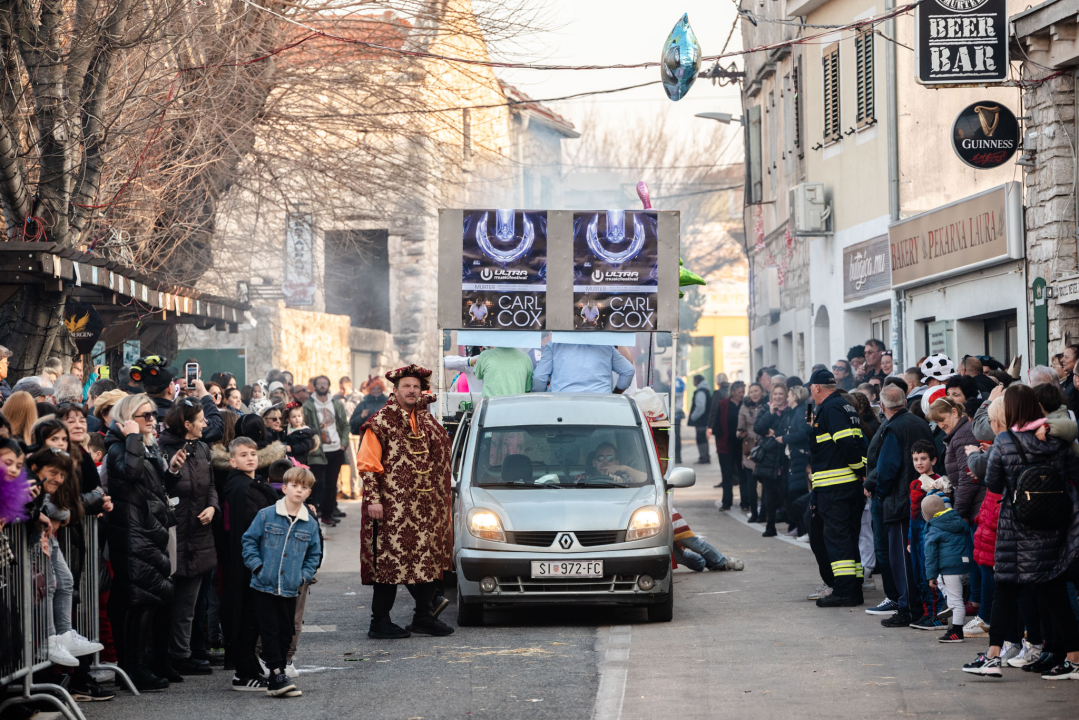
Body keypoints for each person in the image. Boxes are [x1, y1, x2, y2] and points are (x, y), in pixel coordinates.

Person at [962, 384, 1079, 679]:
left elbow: (994, 484)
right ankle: (1075, 660)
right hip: (1054, 528)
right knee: (1054, 593)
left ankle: (992, 658)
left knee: (1004, 590)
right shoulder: (1057, 442)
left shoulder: (1006, 442)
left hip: (1017, 529)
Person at [357, 365, 453, 639]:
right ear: (396, 390)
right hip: (392, 507)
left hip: (425, 508)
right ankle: (379, 622)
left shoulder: (423, 420)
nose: (412, 390)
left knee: (426, 562)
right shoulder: (381, 421)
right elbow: (368, 464)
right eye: (406, 386)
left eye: (416, 386)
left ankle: (423, 617)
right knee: (389, 565)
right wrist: (374, 499)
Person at [106, 392, 186, 690]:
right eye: (146, 416)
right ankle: (135, 669)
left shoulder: (145, 445)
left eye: (153, 414)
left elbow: (155, 486)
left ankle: (149, 663)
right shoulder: (119, 446)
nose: (153, 420)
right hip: (133, 532)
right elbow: (132, 473)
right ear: (128, 419)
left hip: (151, 530)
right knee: (141, 601)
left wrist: (173, 470)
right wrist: (132, 439)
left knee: (152, 599)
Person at [241, 466, 322, 698]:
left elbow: (313, 555)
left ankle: (279, 670)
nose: (299, 490)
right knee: (270, 629)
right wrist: (257, 566)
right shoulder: (266, 515)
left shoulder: (310, 523)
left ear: (308, 493)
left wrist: (303, 577)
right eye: (294, 486)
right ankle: (277, 676)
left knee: (286, 632)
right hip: (263, 585)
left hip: (289, 587)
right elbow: (249, 541)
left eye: (304, 487)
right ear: (284, 488)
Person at [158, 398, 218, 677]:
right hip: (173, 533)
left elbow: (211, 486)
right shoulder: (163, 448)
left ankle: (184, 653)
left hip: (200, 533)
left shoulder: (203, 448)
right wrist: (170, 469)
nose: (206, 423)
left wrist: (212, 507)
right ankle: (166, 655)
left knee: (189, 603)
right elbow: (159, 488)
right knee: (167, 600)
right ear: (186, 424)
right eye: (201, 419)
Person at [867, 385, 935, 626]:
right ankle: (918, 606)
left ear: (883, 407)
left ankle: (908, 609)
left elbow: (887, 469)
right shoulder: (919, 422)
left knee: (901, 560)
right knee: (915, 557)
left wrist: (879, 493)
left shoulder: (893, 428)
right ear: (905, 403)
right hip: (920, 497)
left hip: (901, 502)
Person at [804, 368, 868, 607]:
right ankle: (853, 587)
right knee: (849, 537)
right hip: (846, 487)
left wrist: (858, 470)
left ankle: (844, 591)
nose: (810, 392)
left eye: (811, 388)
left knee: (837, 538)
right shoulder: (844, 405)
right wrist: (861, 471)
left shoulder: (831, 408)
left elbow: (846, 444)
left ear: (817, 387)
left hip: (835, 488)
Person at [222, 436, 282, 691]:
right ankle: (244, 673)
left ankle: (248, 668)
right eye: (244, 454)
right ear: (232, 461)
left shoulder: (249, 484)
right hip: (249, 563)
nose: (250, 458)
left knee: (251, 616)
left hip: (247, 561)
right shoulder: (242, 488)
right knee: (248, 616)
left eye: (253, 453)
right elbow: (255, 528)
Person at [903, 437, 949, 631]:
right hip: (916, 534)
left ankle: (938, 615)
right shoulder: (915, 483)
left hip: (931, 535)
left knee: (931, 575)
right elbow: (912, 515)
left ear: (933, 460)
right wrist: (909, 539)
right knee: (919, 575)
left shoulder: (940, 483)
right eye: (915, 459)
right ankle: (927, 613)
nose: (919, 462)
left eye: (923, 458)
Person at [922, 493, 974, 643]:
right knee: (958, 598)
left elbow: (930, 555)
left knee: (956, 601)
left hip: (949, 569)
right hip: (964, 565)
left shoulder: (934, 527)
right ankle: (950, 612)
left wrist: (931, 576)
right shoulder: (958, 521)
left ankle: (957, 631)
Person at [303, 376, 349, 525]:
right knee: (315, 483)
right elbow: (305, 426)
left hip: (335, 449)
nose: (322, 386)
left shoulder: (336, 404)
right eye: (319, 383)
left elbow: (344, 425)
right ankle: (311, 516)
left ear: (329, 385)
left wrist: (343, 444)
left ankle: (327, 515)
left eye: (325, 383)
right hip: (317, 451)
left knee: (331, 484)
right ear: (314, 386)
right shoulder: (309, 405)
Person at [753, 381, 792, 537]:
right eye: (775, 394)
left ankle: (790, 522)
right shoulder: (765, 409)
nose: (777, 397)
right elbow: (758, 428)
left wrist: (775, 432)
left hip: (784, 457)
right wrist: (770, 413)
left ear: (786, 395)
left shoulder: (790, 411)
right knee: (769, 494)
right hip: (768, 458)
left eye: (781, 394)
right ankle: (770, 525)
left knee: (785, 491)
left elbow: (786, 430)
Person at [531, 342, 634, 394]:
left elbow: (538, 378)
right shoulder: (605, 345)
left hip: (561, 402)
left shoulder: (554, 344)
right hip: (601, 403)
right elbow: (628, 371)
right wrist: (614, 395)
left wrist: (542, 398)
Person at [671, 504, 744, 571]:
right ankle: (704, 563)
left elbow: (668, 491)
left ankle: (723, 561)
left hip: (667, 516)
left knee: (693, 543)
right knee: (677, 556)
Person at [708, 380, 745, 510]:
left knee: (743, 474)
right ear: (733, 392)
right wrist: (717, 434)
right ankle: (726, 502)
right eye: (740, 392)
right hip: (726, 444)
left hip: (742, 445)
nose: (742, 394)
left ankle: (745, 502)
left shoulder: (745, 403)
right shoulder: (723, 404)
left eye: (743, 391)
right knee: (727, 475)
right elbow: (716, 421)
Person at [737, 383, 763, 515]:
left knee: (765, 482)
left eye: (756, 391)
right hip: (750, 448)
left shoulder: (767, 405)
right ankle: (753, 511)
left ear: (761, 392)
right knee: (751, 482)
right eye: (751, 391)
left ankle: (765, 511)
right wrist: (741, 433)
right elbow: (739, 428)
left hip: (765, 446)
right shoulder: (744, 407)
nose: (754, 394)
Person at [470, 346, 534, 397]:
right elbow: (527, 389)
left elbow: (478, 375)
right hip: (515, 408)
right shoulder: (526, 358)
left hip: (490, 408)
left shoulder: (485, 355)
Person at [687, 375, 712, 465]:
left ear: (697, 381)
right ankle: (704, 456)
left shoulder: (700, 392)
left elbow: (700, 407)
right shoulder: (705, 390)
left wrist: (693, 417)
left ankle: (704, 457)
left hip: (701, 420)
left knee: (701, 438)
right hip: (704, 419)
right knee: (702, 438)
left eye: (694, 380)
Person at [1060, 344, 1079, 416]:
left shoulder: (1075, 383)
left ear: (1077, 360)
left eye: (1066, 357)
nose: (1062, 360)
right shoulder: (1069, 379)